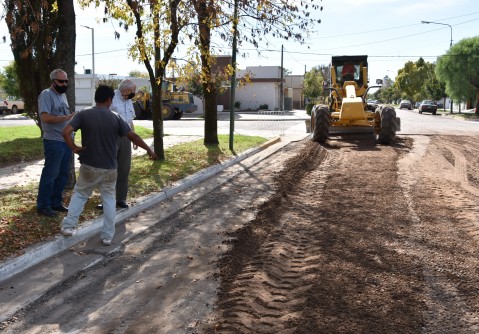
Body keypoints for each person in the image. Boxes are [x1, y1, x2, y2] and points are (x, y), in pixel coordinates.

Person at [60, 85, 157, 246]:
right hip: (110, 168)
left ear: (96, 98)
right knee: (109, 200)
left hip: (89, 166)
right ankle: (107, 236)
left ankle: (68, 227)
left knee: (81, 194)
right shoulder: (116, 117)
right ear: (109, 99)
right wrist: (148, 149)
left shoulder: (83, 114)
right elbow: (132, 135)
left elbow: (65, 132)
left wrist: (74, 148)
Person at [36, 69, 76, 217]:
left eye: (66, 81)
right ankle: (43, 205)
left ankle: (56, 202)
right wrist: (66, 118)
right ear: (53, 81)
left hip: (65, 140)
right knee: (51, 173)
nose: (64, 84)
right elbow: (46, 117)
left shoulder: (63, 95)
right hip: (53, 140)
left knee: (63, 174)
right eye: (61, 81)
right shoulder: (46, 94)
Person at [101, 79, 137, 209]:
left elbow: (130, 120)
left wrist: (134, 137)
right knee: (109, 169)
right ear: (126, 90)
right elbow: (103, 116)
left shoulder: (129, 101)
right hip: (112, 136)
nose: (134, 93)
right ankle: (105, 200)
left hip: (126, 137)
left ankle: (120, 199)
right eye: (133, 90)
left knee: (124, 169)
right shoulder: (111, 98)